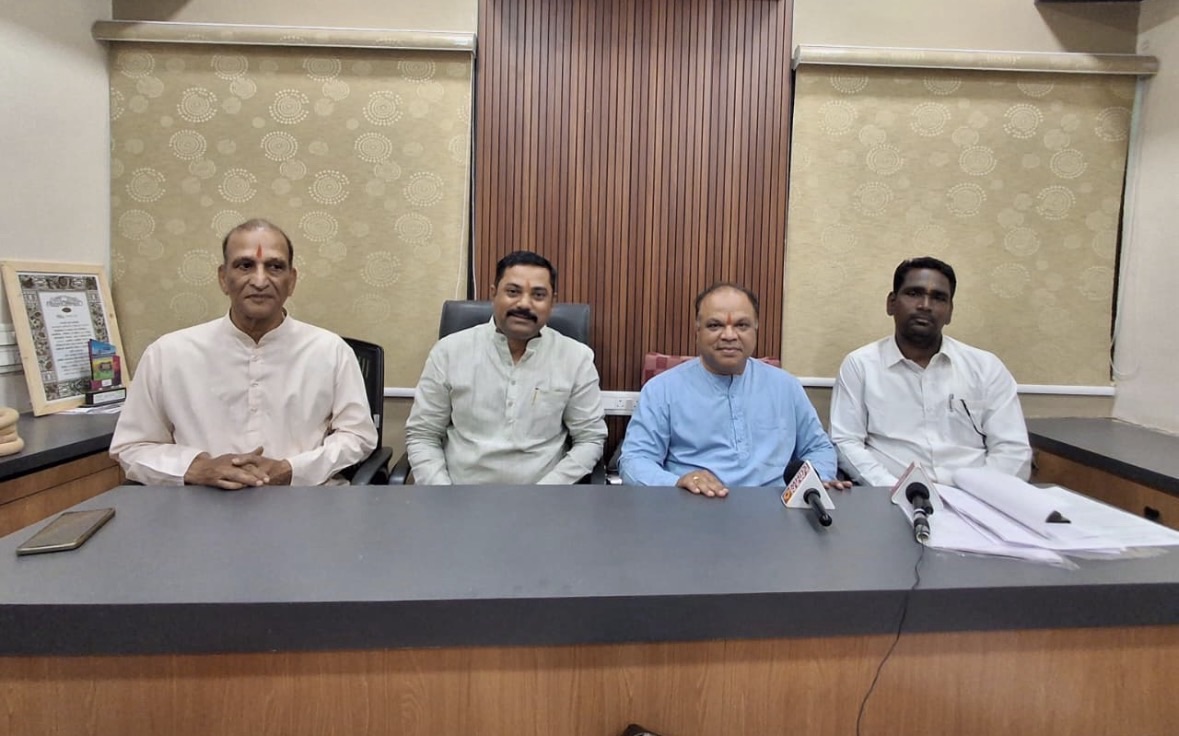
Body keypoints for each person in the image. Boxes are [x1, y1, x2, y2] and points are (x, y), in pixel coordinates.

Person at [110, 218, 377, 488]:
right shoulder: (167, 354)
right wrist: (196, 468)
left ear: (291, 281)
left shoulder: (331, 351)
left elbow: (358, 437)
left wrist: (292, 470)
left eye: (275, 267)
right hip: (201, 502)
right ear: (223, 278)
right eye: (245, 265)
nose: (260, 281)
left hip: (304, 499)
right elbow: (131, 447)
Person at [619, 283, 848, 497]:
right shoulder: (661, 390)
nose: (729, 335)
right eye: (715, 325)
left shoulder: (787, 387)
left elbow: (818, 448)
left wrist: (815, 481)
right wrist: (676, 482)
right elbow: (634, 461)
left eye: (741, 325)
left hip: (776, 509)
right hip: (694, 507)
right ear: (697, 331)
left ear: (755, 329)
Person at [405, 250, 606, 484]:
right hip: (460, 494)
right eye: (513, 292)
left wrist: (546, 493)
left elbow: (590, 439)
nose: (524, 304)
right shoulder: (449, 352)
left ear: (552, 302)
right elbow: (423, 435)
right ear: (494, 293)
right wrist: (443, 493)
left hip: (544, 496)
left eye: (538, 295)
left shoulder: (576, 358)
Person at [829, 256, 1032, 487]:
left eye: (938, 297)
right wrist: (895, 491)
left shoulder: (986, 367)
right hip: (891, 496)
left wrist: (983, 492)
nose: (925, 305)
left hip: (978, 497)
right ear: (891, 303)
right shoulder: (860, 365)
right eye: (913, 293)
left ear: (950, 311)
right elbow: (845, 442)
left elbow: (1012, 449)